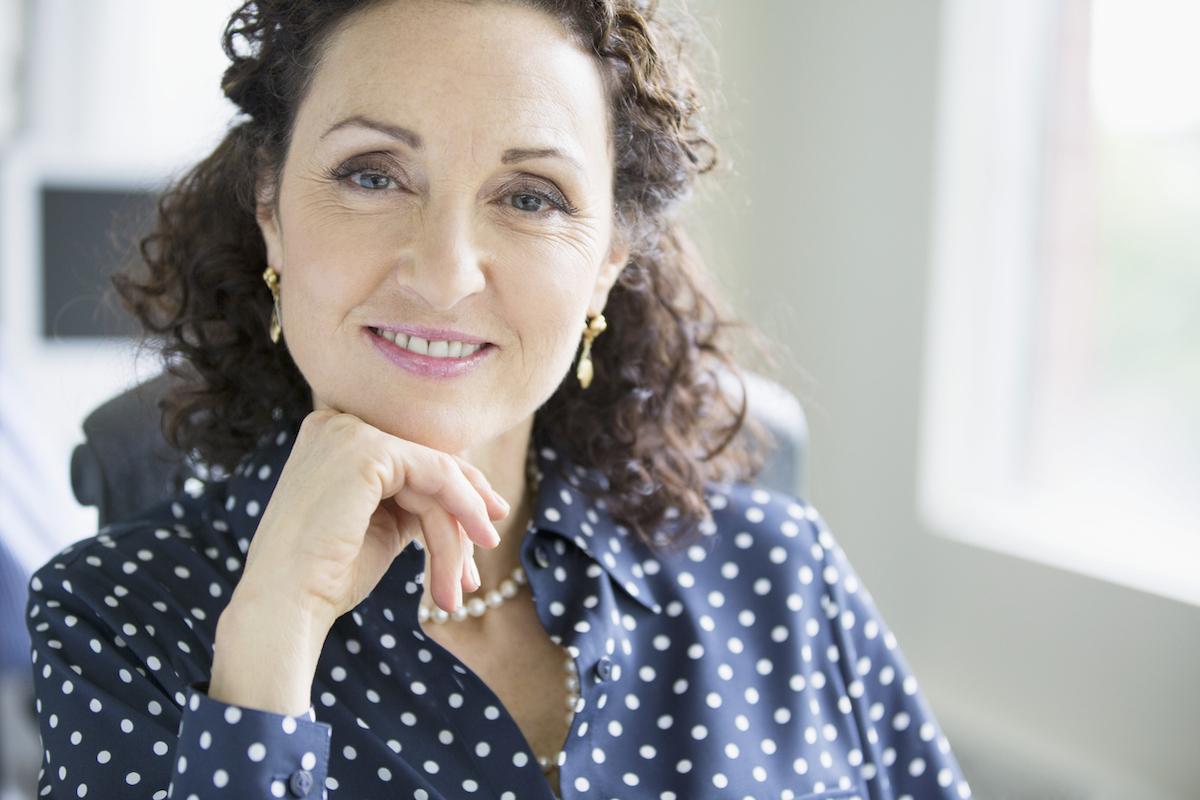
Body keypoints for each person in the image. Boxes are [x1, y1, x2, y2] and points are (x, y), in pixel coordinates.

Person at [26, 1, 972, 798]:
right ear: (269, 206)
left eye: (531, 196)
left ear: (608, 262)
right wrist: (267, 655)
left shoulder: (784, 578)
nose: (444, 274)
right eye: (372, 175)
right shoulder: (112, 618)